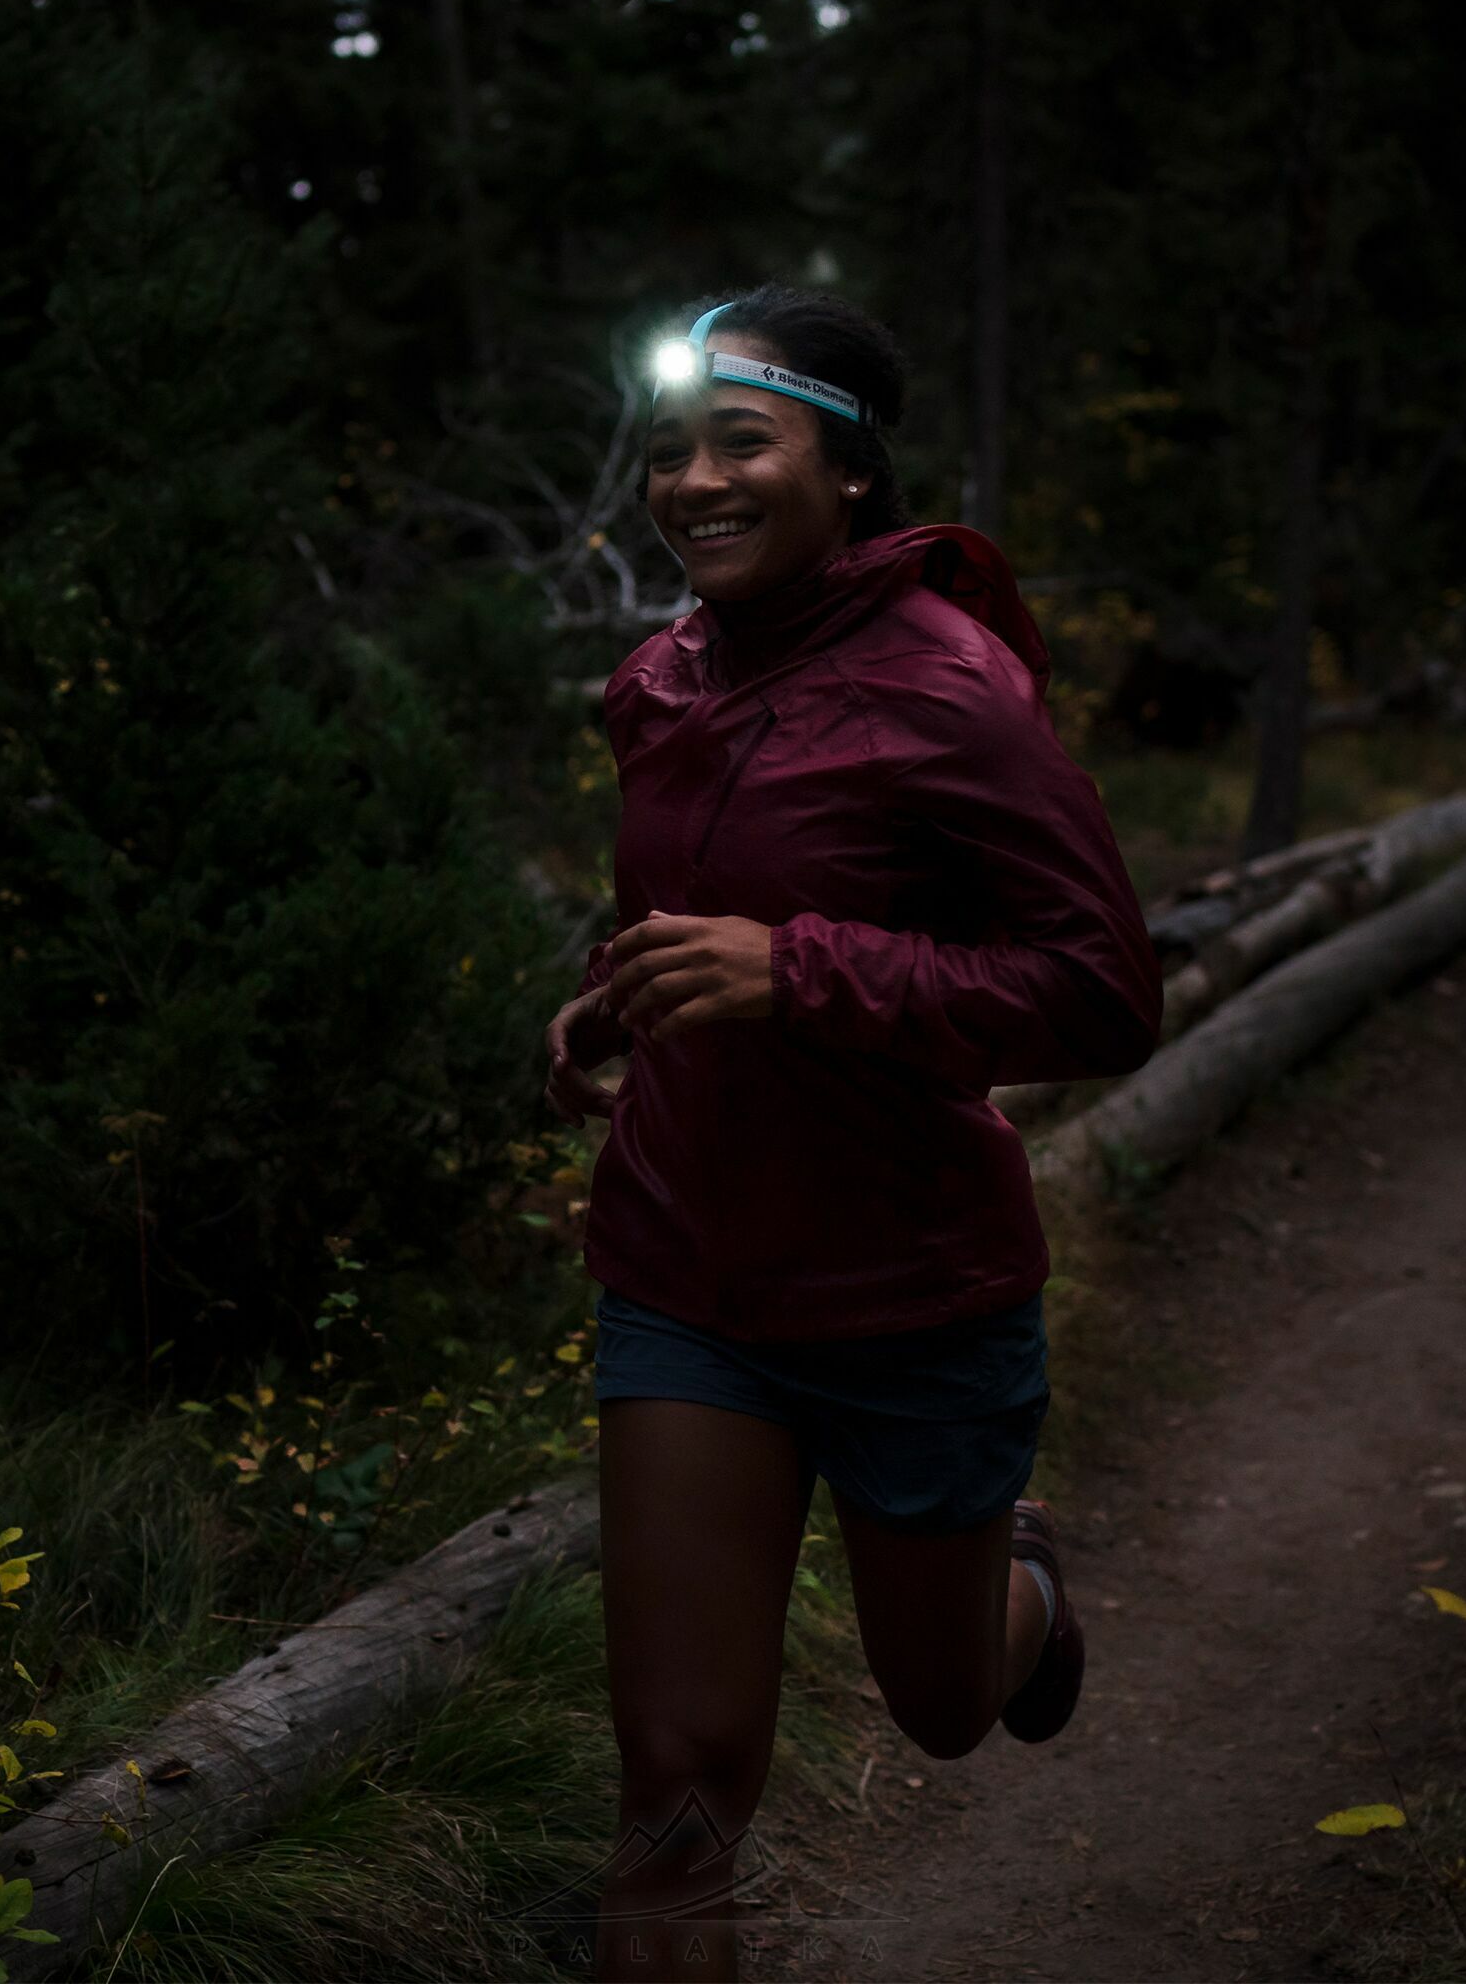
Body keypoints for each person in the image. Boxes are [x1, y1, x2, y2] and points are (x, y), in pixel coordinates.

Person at [542, 284, 1163, 1980]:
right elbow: (695, 908)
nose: (693, 482)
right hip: (685, 1271)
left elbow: (1100, 996)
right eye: (668, 451)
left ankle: (1019, 1591)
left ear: (850, 472)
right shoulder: (656, 680)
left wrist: (796, 972)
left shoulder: (953, 692)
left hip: (911, 1289)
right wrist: (616, 998)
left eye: (740, 441)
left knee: (945, 1708)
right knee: (674, 1793)